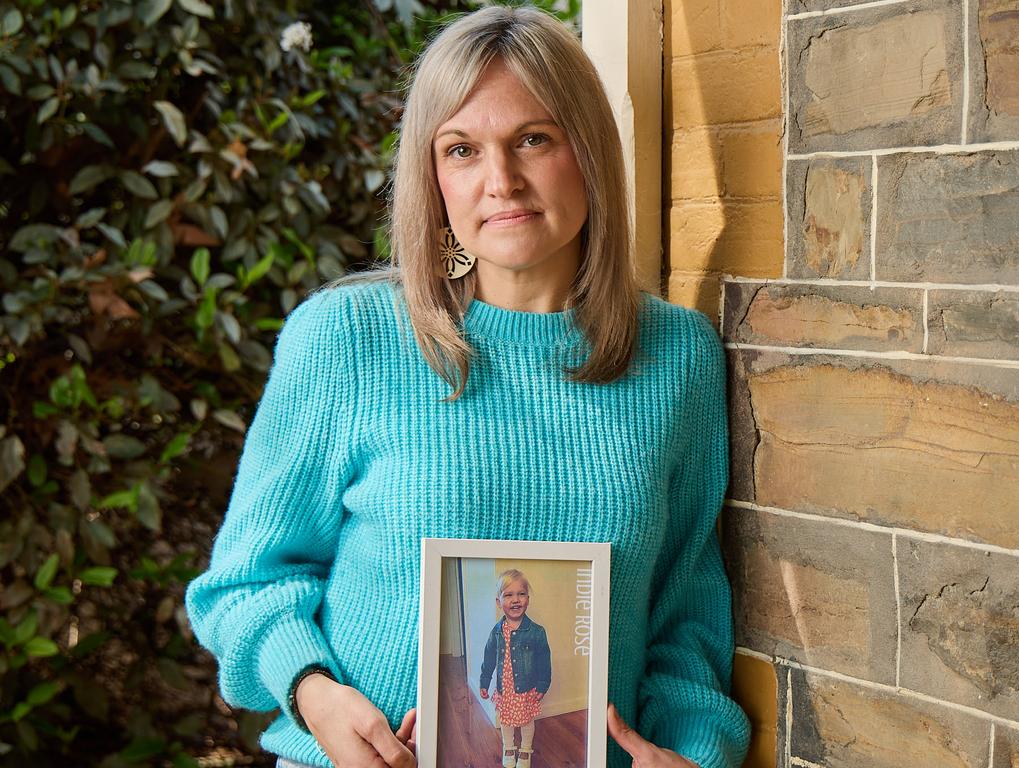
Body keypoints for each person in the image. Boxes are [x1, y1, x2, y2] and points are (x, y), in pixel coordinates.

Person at [184, 6, 751, 768]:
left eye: (533, 139)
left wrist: (696, 754)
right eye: (462, 149)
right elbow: (243, 585)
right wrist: (313, 694)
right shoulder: (348, 338)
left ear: (587, 149)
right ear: (433, 176)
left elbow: (685, 623)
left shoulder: (677, 358)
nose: (501, 181)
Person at [478, 570, 552, 768]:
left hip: (527, 687)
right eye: (508, 595)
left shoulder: (537, 632)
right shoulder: (496, 632)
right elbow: (488, 658)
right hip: (506, 688)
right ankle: (508, 747)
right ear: (498, 601)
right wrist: (484, 682)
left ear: (528, 599)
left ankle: (526, 749)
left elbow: (545, 660)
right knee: (506, 719)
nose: (515, 600)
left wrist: (543, 685)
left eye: (521, 594)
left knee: (527, 720)